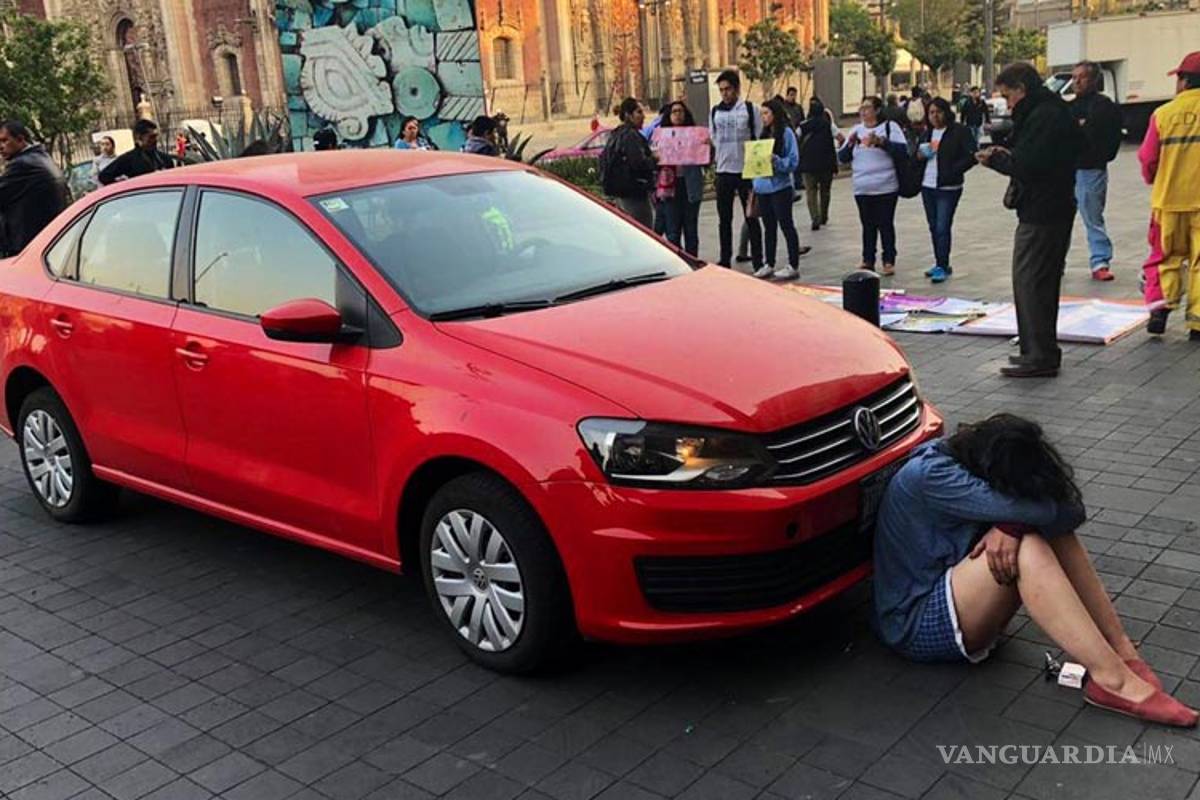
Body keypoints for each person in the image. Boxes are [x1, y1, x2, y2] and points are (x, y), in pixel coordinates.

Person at [874, 414, 1197, 728]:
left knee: (1046, 531)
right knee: (1028, 544)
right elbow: (1052, 509)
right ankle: (1112, 681)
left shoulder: (968, 459)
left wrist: (1009, 524)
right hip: (915, 624)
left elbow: (1068, 511)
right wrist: (1015, 524)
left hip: (957, 592)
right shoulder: (933, 476)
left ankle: (1121, 650)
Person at [978, 62, 1078, 378]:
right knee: (1038, 282)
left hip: (1043, 211)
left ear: (1021, 89)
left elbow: (1030, 164)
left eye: (1008, 96)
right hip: (1051, 207)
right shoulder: (1051, 110)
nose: (1008, 105)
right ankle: (1037, 351)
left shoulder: (1044, 115)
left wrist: (998, 160)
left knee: (1031, 281)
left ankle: (1039, 355)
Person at [1139, 51, 1200, 340]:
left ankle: (1160, 309)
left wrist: (1153, 178)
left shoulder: (1163, 114)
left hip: (1169, 201)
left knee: (1165, 257)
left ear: (1184, 81)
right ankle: (1198, 323)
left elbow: (1148, 158)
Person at [838, 96, 908, 276]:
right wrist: (850, 143)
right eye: (861, 108)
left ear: (877, 110)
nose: (863, 111)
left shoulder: (889, 127)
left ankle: (888, 259)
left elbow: (902, 151)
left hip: (886, 186)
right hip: (862, 188)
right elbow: (843, 157)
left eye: (867, 108)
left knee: (885, 224)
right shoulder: (857, 129)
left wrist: (881, 142)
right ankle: (868, 259)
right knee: (867, 225)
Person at [1071, 61, 1123, 282]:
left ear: (1093, 80)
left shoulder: (1104, 106)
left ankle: (1100, 261)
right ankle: (1055, 261)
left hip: (1092, 169)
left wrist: (1099, 154)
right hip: (1067, 170)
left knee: (1093, 217)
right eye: (1074, 78)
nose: (1076, 82)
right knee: (1059, 218)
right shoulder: (1068, 107)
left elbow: (1107, 137)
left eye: (1081, 77)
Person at [916, 98, 977, 284]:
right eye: (931, 113)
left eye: (938, 112)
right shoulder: (927, 133)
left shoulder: (959, 131)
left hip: (948, 187)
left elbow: (971, 155)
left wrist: (953, 170)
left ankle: (942, 265)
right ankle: (940, 262)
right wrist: (920, 155)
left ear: (946, 112)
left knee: (942, 226)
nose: (935, 116)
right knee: (933, 226)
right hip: (928, 184)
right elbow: (915, 155)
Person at [709, 70, 763, 270]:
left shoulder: (749, 109)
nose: (725, 93)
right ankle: (725, 258)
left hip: (745, 171)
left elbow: (758, 136)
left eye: (728, 89)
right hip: (723, 171)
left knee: (751, 217)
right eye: (721, 90)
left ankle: (758, 260)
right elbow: (713, 137)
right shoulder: (715, 112)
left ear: (737, 89)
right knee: (724, 219)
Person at [751, 98, 809, 281]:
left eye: (766, 113)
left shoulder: (786, 133)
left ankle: (793, 264)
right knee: (768, 227)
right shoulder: (763, 134)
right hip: (763, 187)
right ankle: (769, 262)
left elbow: (793, 160)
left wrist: (777, 161)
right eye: (761, 114)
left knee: (786, 224)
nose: (763, 117)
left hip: (780, 186)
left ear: (775, 114)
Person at [0, 120, 70, 258]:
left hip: (28, 245)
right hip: (48, 240)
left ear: (20, 139)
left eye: (4, 141)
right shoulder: (41, 157)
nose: (0, 147)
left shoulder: (22, 165)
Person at [655, 100, 703, 256]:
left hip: (690, 185)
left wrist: (707, 146)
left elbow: (706, 160)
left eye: (680, 111)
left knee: (691, 230)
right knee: (673, 232)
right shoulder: (661, 135)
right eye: (674, 111)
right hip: (670, 187)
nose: (677, 114)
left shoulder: (695, 135)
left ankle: (692, 260)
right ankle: (678, 260)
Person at [600, 98, 656, 228]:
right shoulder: (631, 136)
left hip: (621, 193)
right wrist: (654, 159)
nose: (643, 116)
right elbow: (638, 164)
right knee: (642, 230)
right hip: (635, 193)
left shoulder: (616, 134)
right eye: (639, 112)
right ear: (628, 115)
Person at [797, 97, 837, 231]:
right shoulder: (828, 125)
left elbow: (796, 137)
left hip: (808, 164)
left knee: (811, 192)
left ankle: (815, 218)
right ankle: (824, 216)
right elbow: (841, 137)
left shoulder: (803, 126)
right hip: (826, 163)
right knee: (825, 191)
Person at [98, 119, 174, 184]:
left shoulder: (164, 159)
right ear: (139, 138)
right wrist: (125, 186)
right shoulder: (129, 159)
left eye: (156, 136)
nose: (155, 140)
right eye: (151, 137)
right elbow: (104, 176)